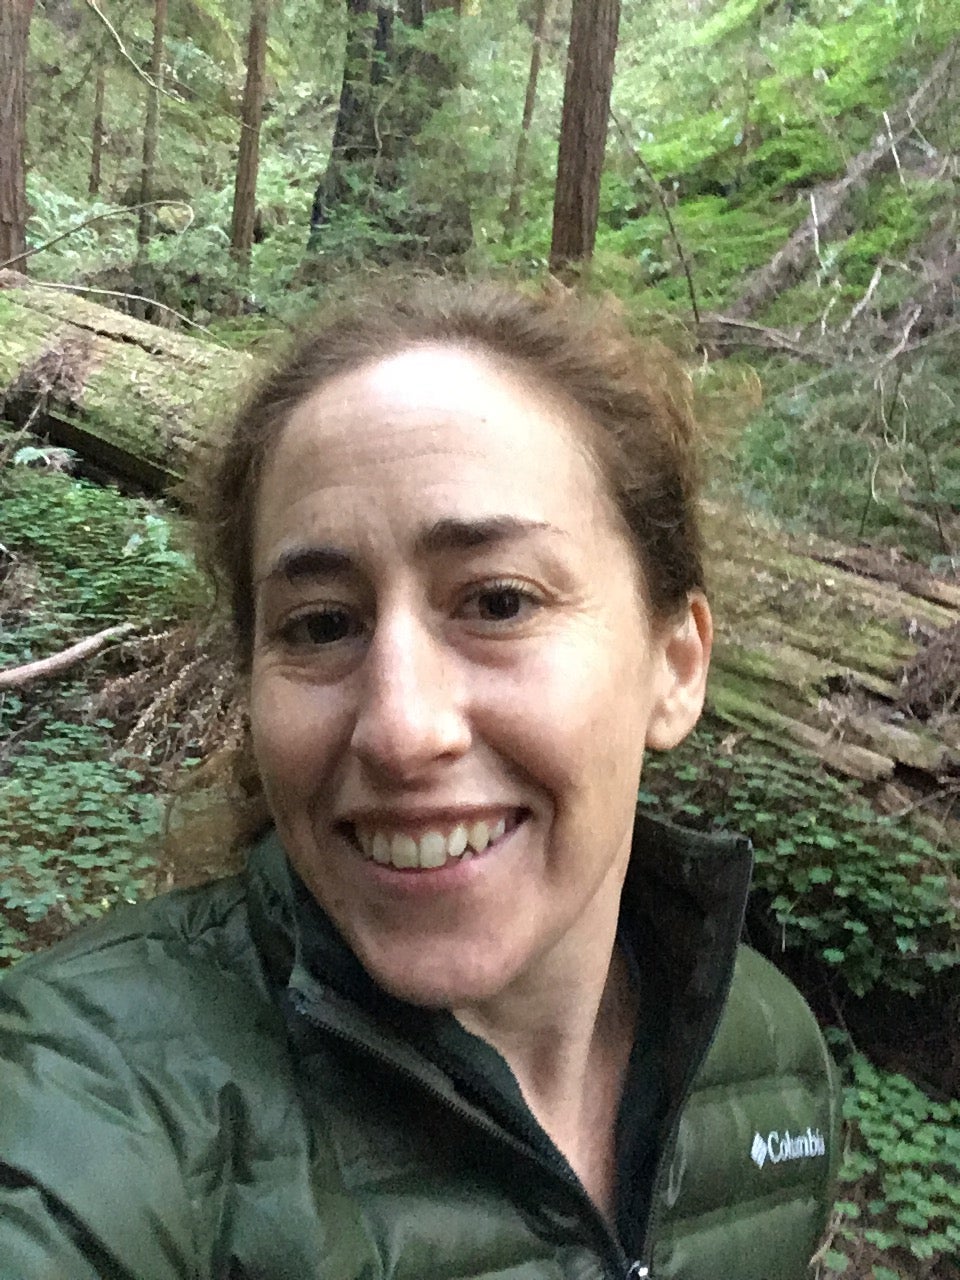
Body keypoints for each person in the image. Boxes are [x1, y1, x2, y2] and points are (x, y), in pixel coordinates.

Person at [0, 279, 840, 1280]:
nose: (401, 729)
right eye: (320, 623)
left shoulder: (770, 1060)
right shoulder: (96, 1090)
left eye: (496, 601)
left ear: (677, 664)